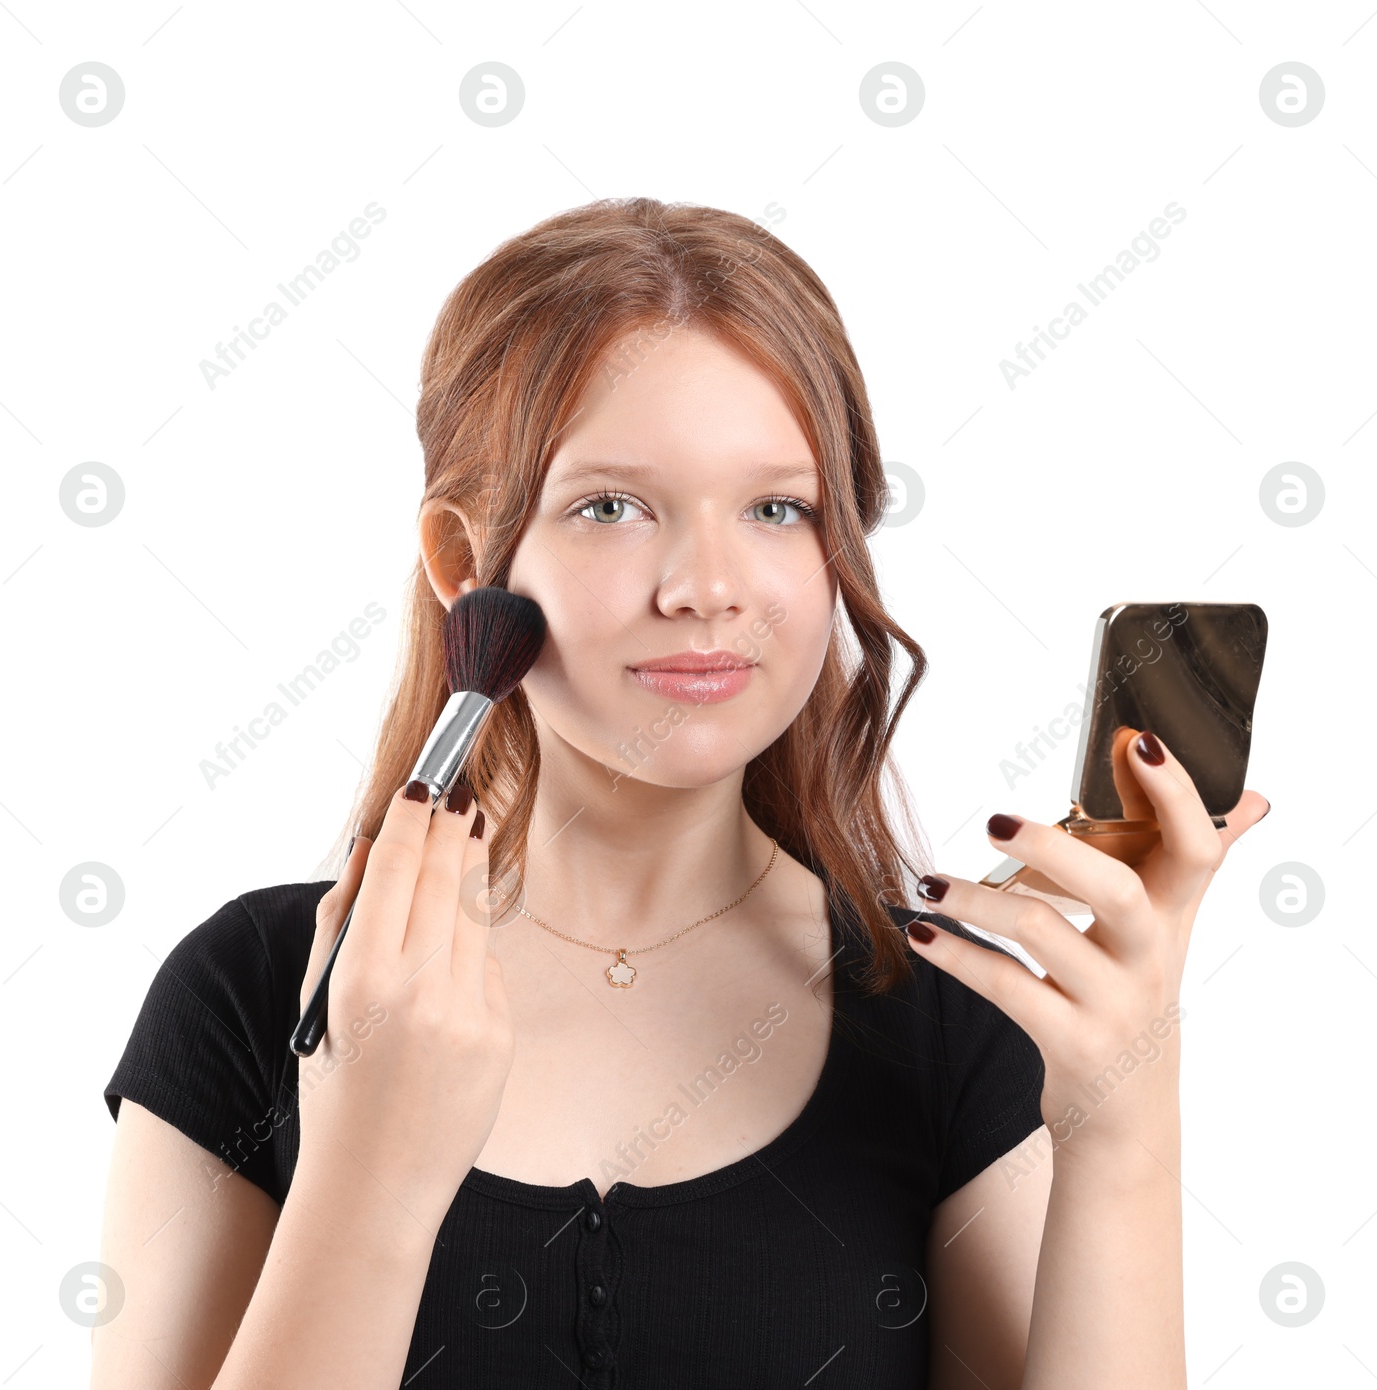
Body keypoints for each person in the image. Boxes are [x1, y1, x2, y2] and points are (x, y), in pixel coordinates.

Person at [93, 197, 1269, 1389]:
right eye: (610, 506)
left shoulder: (951, 1029)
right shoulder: (250, 992)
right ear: (464, 564)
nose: (707, 585)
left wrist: (1121, 1123)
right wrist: (366, 1174)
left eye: (776, 508)